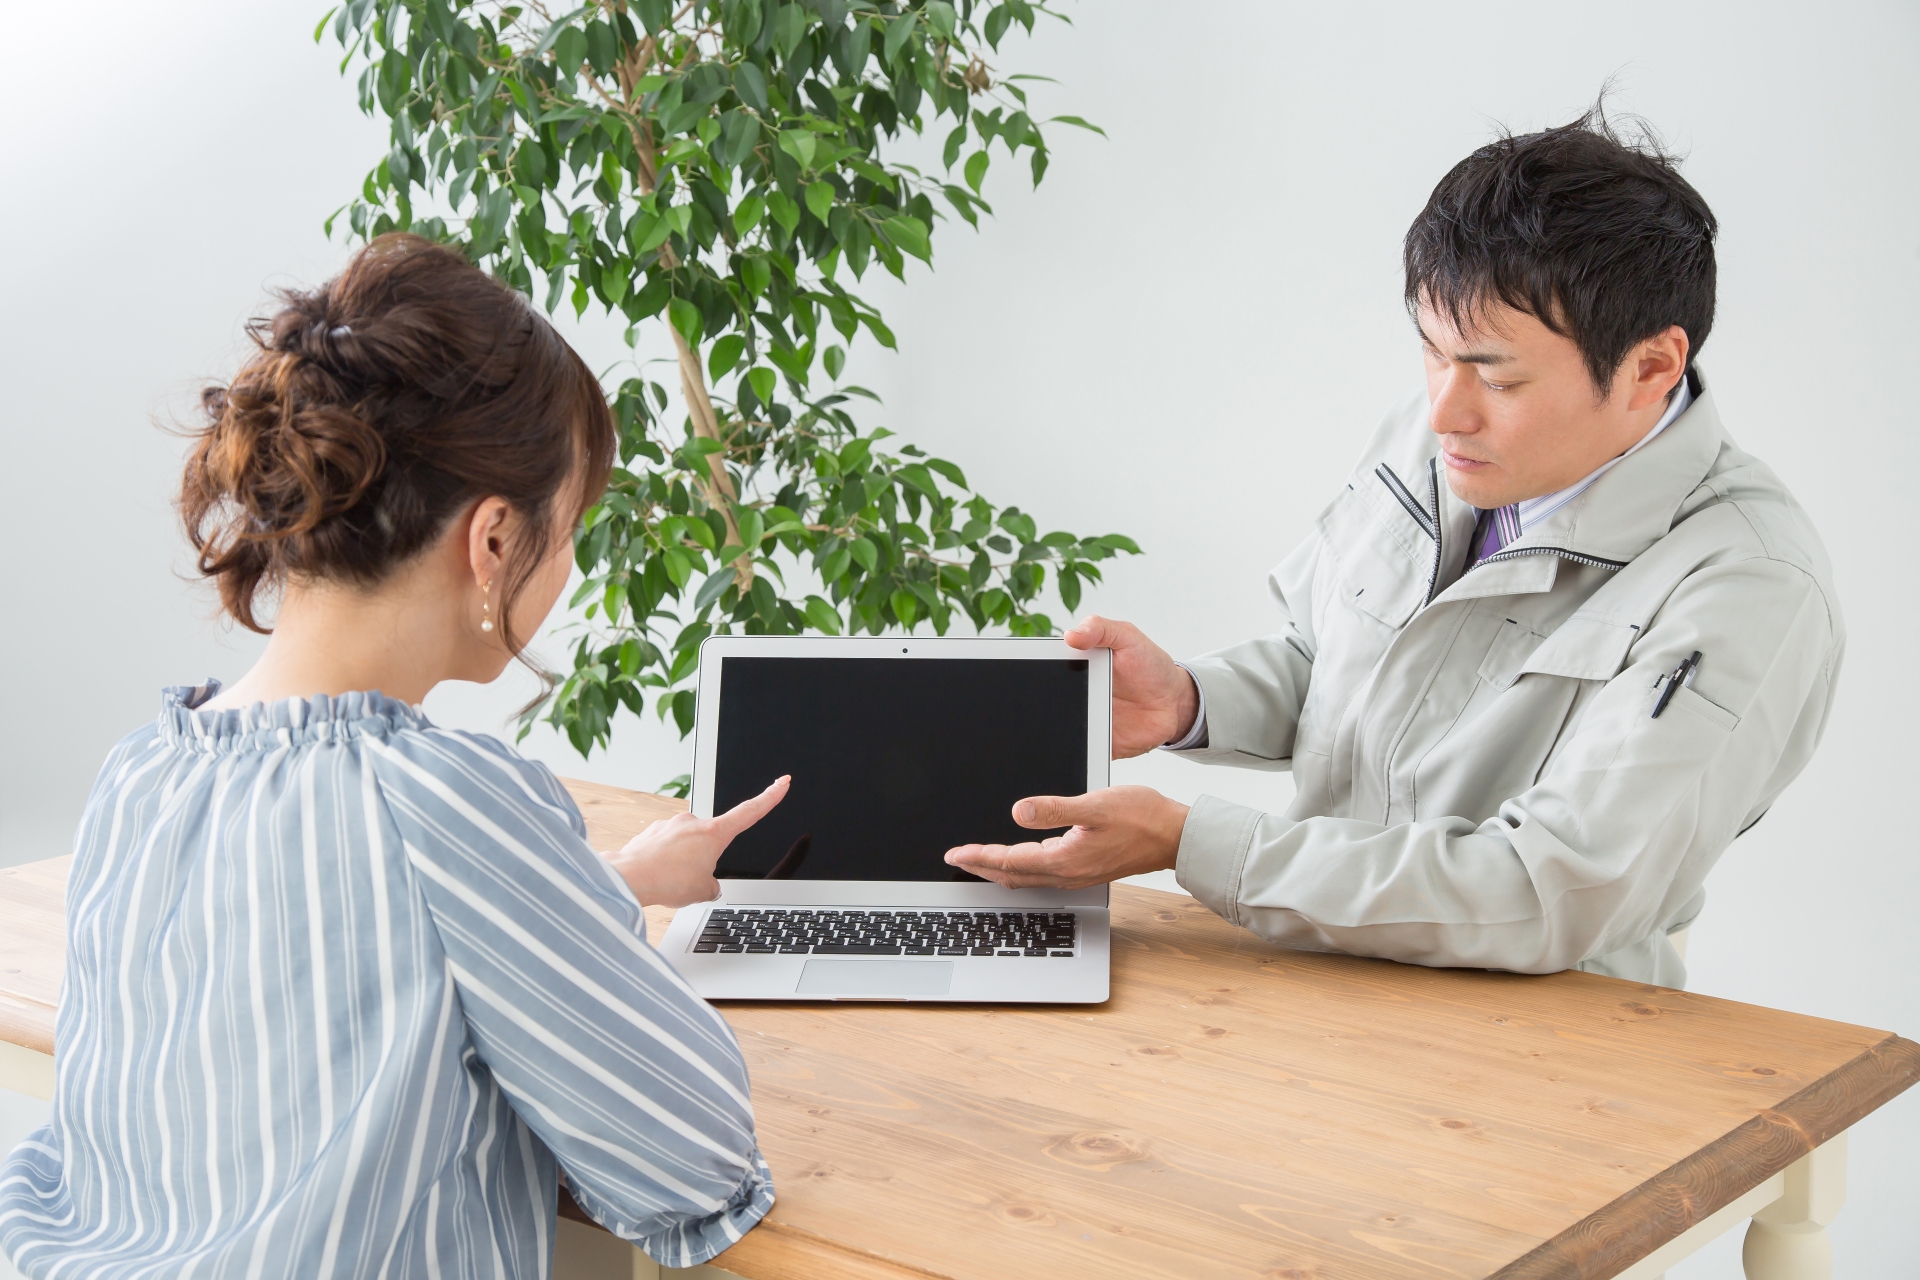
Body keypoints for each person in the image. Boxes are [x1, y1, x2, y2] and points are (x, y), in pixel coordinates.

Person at [0, 235, 789, 1277]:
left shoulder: (142, 772)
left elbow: (334, 946)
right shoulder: (448, 801)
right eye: (571, 529)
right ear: (495, 539)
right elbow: (691, 1160)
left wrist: (599, 885)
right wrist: (589, 917)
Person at [946, 108, 1843, 987]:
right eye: (1431, 350)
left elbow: (1549, 888)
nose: (1446, 410)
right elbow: (1332, 664)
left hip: (1548, 1049)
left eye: (1498, 373)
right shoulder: (1442, 439)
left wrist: (1190, 842)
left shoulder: (1750, 583)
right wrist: (1190, 701)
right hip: (1313, 979)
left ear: (1652, 368)